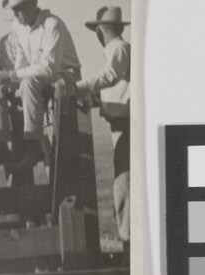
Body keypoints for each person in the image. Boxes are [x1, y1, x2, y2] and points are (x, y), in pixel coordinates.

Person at [0, 0, 82, 175]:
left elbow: (49, 67)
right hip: (37, 74)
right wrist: (6, 81)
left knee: (29, 83)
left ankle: (32, 145)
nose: (15, 14)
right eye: (13, 10)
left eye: (19, 9)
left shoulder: (53, 24)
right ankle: (0, 147)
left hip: (64, 75)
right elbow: (22, 63)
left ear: (33, 4)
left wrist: (11, 75)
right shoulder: (18, 27)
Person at [77, 6, 130, 249]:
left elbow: (109, 76)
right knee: (123, 185)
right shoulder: (118, 50)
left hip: (126, 127)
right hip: (121, 126)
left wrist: (79, 87)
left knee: (124, 186)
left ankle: (128, 245)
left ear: (100, 30)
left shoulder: (118, 49)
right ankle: (128, 242)